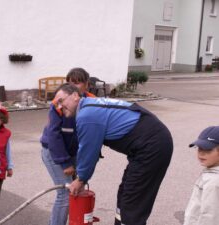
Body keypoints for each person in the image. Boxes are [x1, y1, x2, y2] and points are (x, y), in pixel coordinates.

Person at [53, 83, 173, 225]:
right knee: (125, 193)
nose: (59, 106)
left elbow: (88, 152)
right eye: (56, 104)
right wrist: (82, 178)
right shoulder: (90, 107)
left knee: (132, 202)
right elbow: (92, 150)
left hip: (152, 147)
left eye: (61, 101)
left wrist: (80, 180)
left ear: (74, 95)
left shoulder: (86, 115)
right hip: (148, 145)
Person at [40, 68, 95, 225]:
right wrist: (65, 163)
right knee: (64, 194)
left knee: (79, 190)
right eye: (70, 82)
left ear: (87, 85)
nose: (72, 86)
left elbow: (93, 137)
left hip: (75, 152)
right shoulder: (58, 104)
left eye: (77, 82)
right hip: (54, 152)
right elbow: (53, 135)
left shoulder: (91, 103)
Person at [184, 126, 219, 225]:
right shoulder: (211, 173)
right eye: (199, 148)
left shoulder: (213, 181)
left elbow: (209, 216)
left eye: (208, 150)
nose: (201, 153)